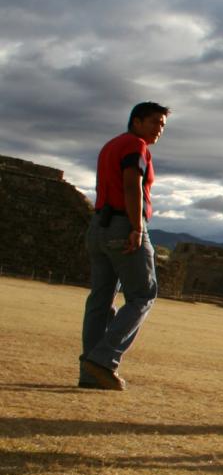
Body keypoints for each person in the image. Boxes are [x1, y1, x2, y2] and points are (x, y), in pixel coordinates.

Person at [79, 102, 170, 391]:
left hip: (99, 226)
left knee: (100, 300)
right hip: (123, 225)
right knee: (143, 295)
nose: (159, 129)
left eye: (163, 125)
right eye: (155, 122)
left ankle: (91, 373)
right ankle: (104, 359)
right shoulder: (136, 146)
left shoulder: (111, 145)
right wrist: (136, 227)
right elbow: (132, 184)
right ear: (137, 121)